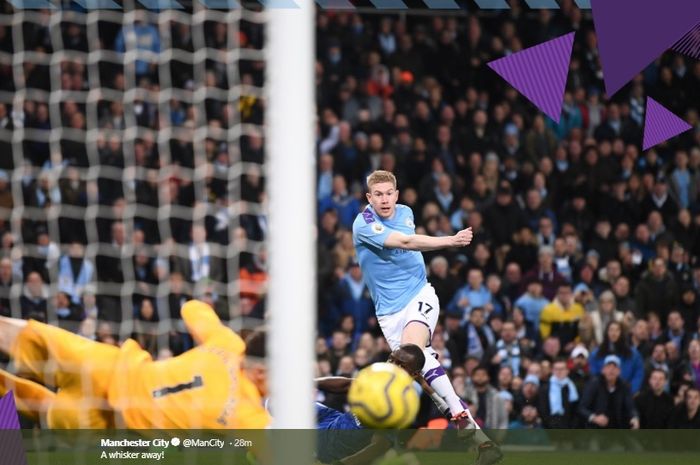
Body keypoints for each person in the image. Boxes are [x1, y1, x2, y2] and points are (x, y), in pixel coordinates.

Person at [0, 300, 270, 429]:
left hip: (110, 369)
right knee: (37, 407)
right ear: (260, 372)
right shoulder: (252, 419)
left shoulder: (228, 344)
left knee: (29, 338)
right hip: (109, 422)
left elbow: (191, 308)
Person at [352, 171, 477, 428]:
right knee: (413, 368)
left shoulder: (406, 212)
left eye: (389, 194)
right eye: (378, 194)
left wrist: (449, 241)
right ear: (369, 197)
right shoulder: (363, 223)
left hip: (419, 293)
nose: (384, 200)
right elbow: (406, 241)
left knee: (413, 352)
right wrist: (450, 240)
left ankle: (457, 411)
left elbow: (409, 241)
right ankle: (478, 438)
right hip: (388, 312)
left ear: (396, 195)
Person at [577, 355, 640, 429]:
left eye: (614, 367)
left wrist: (635, 418)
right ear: (603, 370)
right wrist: (594, 418)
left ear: (619, 371)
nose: (611, 370)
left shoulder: (625, 386)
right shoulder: (594, 384)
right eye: (608, 367)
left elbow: (631, 407)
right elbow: (581, 408)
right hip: (596, 429)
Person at [588, 321, 645, 394]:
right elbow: (593, 374)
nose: (614, 333)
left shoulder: (633, 354)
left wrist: (631, 390)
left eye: (617, 330)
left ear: (621, 333)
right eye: (611, 330)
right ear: (606, 333)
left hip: (626, 393)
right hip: (603, 394)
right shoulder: (596, 354)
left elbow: (638, 373)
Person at [538, 358, 579, 428]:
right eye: (556, 369)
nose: (559, 372)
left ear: (567, 371)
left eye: (562, 369)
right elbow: (542, 408)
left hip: (569, 425)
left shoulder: (572, 387)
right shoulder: (544, 388)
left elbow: (576, 408)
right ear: (552, 370)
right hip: (550, 424)